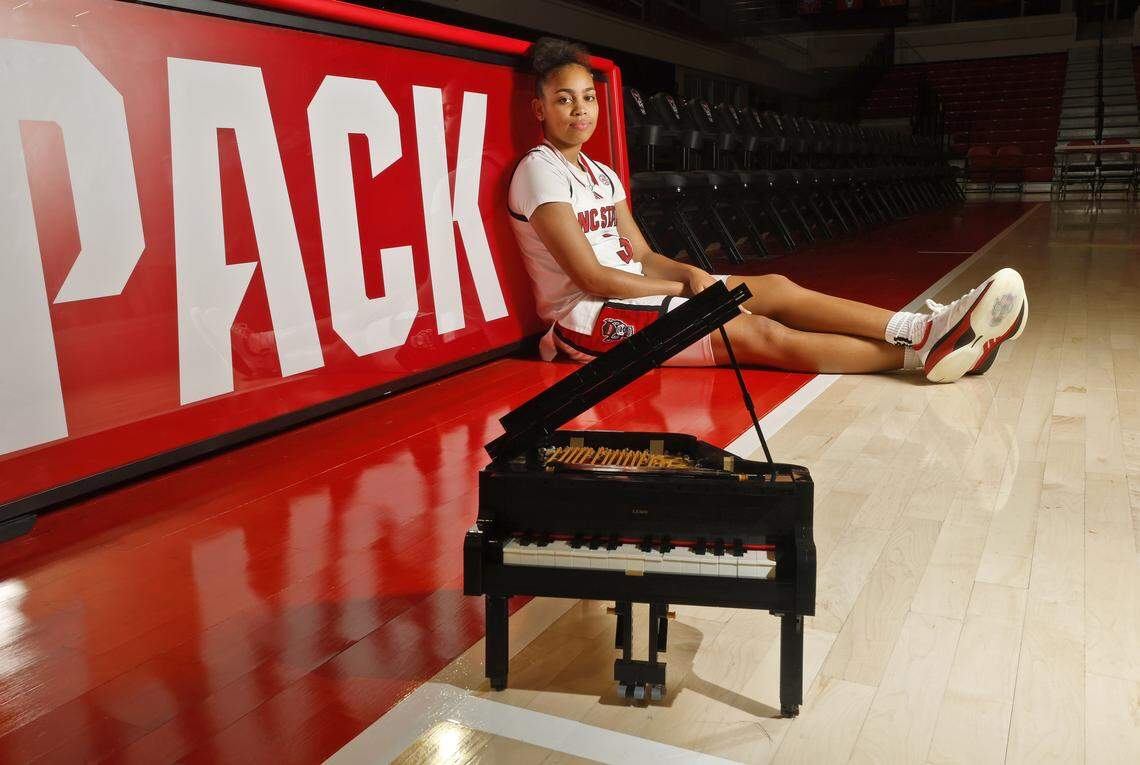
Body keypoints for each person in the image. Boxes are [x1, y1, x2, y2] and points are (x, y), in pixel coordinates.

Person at [507, 37, 1028, 383]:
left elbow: (640, 254)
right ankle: (924, 355)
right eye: (563, 100)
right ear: (540, 109)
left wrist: (691, 272)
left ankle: (919, 329)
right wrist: (689, 289)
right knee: (763, 333)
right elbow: (592, 277)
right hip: (586, 323)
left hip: (638, 294)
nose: (580, 110)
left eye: (587, 98)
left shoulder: (603, 174)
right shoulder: (538, 171)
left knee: (773, 286)